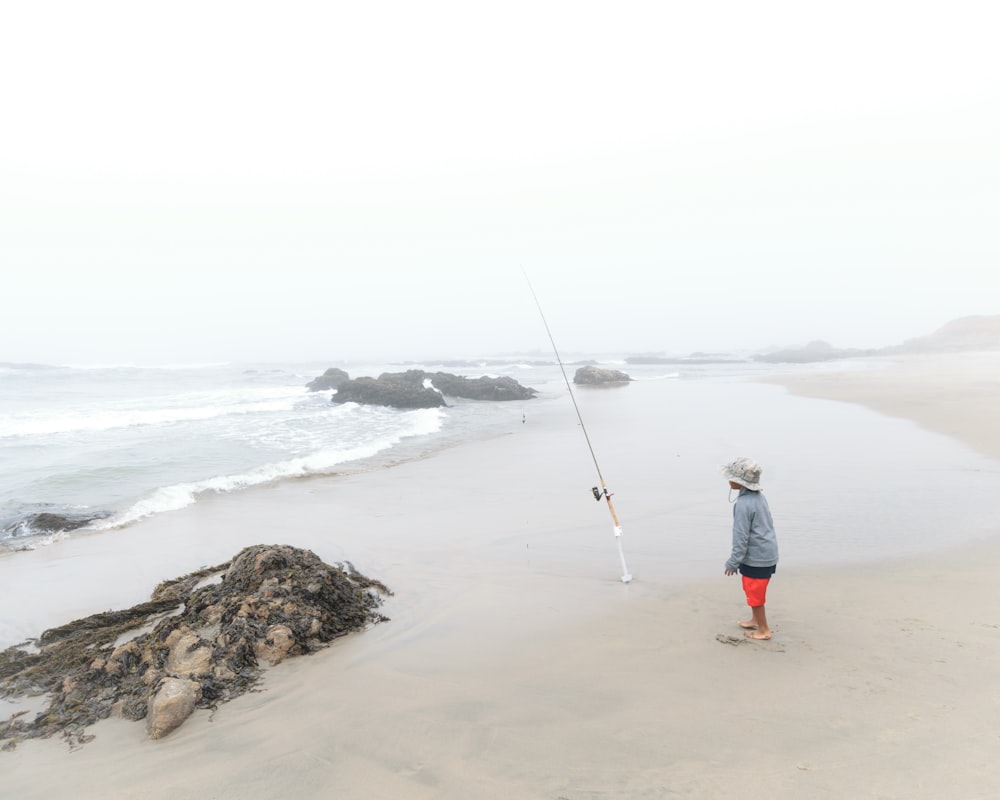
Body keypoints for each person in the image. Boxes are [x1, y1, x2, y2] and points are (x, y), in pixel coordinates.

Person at [721, 457, 779, 640]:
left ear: (739, 482)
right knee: (753, 591)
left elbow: (740, 537)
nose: (728, 480)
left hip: (757, 557)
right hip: (767, 553)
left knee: (755, 594)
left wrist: (732, 562)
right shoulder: (759, 498)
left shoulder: (743, 505)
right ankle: (755, 619)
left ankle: (764, 629)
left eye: (731, 477)